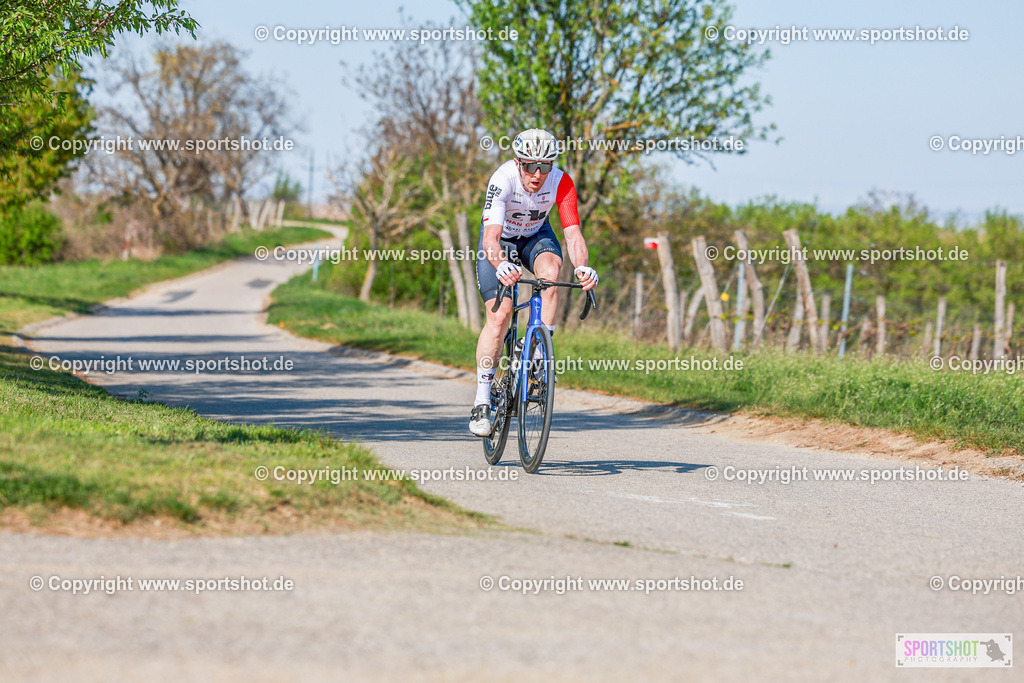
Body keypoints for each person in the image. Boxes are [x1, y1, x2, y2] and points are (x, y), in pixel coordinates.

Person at [469, 128, 598, 436]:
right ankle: (482, 400)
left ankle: (538, 362)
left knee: (551, 276)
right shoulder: (502, 180)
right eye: (531, 166)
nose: (538, 174)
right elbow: (490, 238)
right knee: (499, 317)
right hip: (501, 242)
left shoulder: (561, 182)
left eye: (546, 165)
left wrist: (582, 267)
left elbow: (572, 234)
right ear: (518, 163)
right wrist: (501, 265)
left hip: (537, 237)